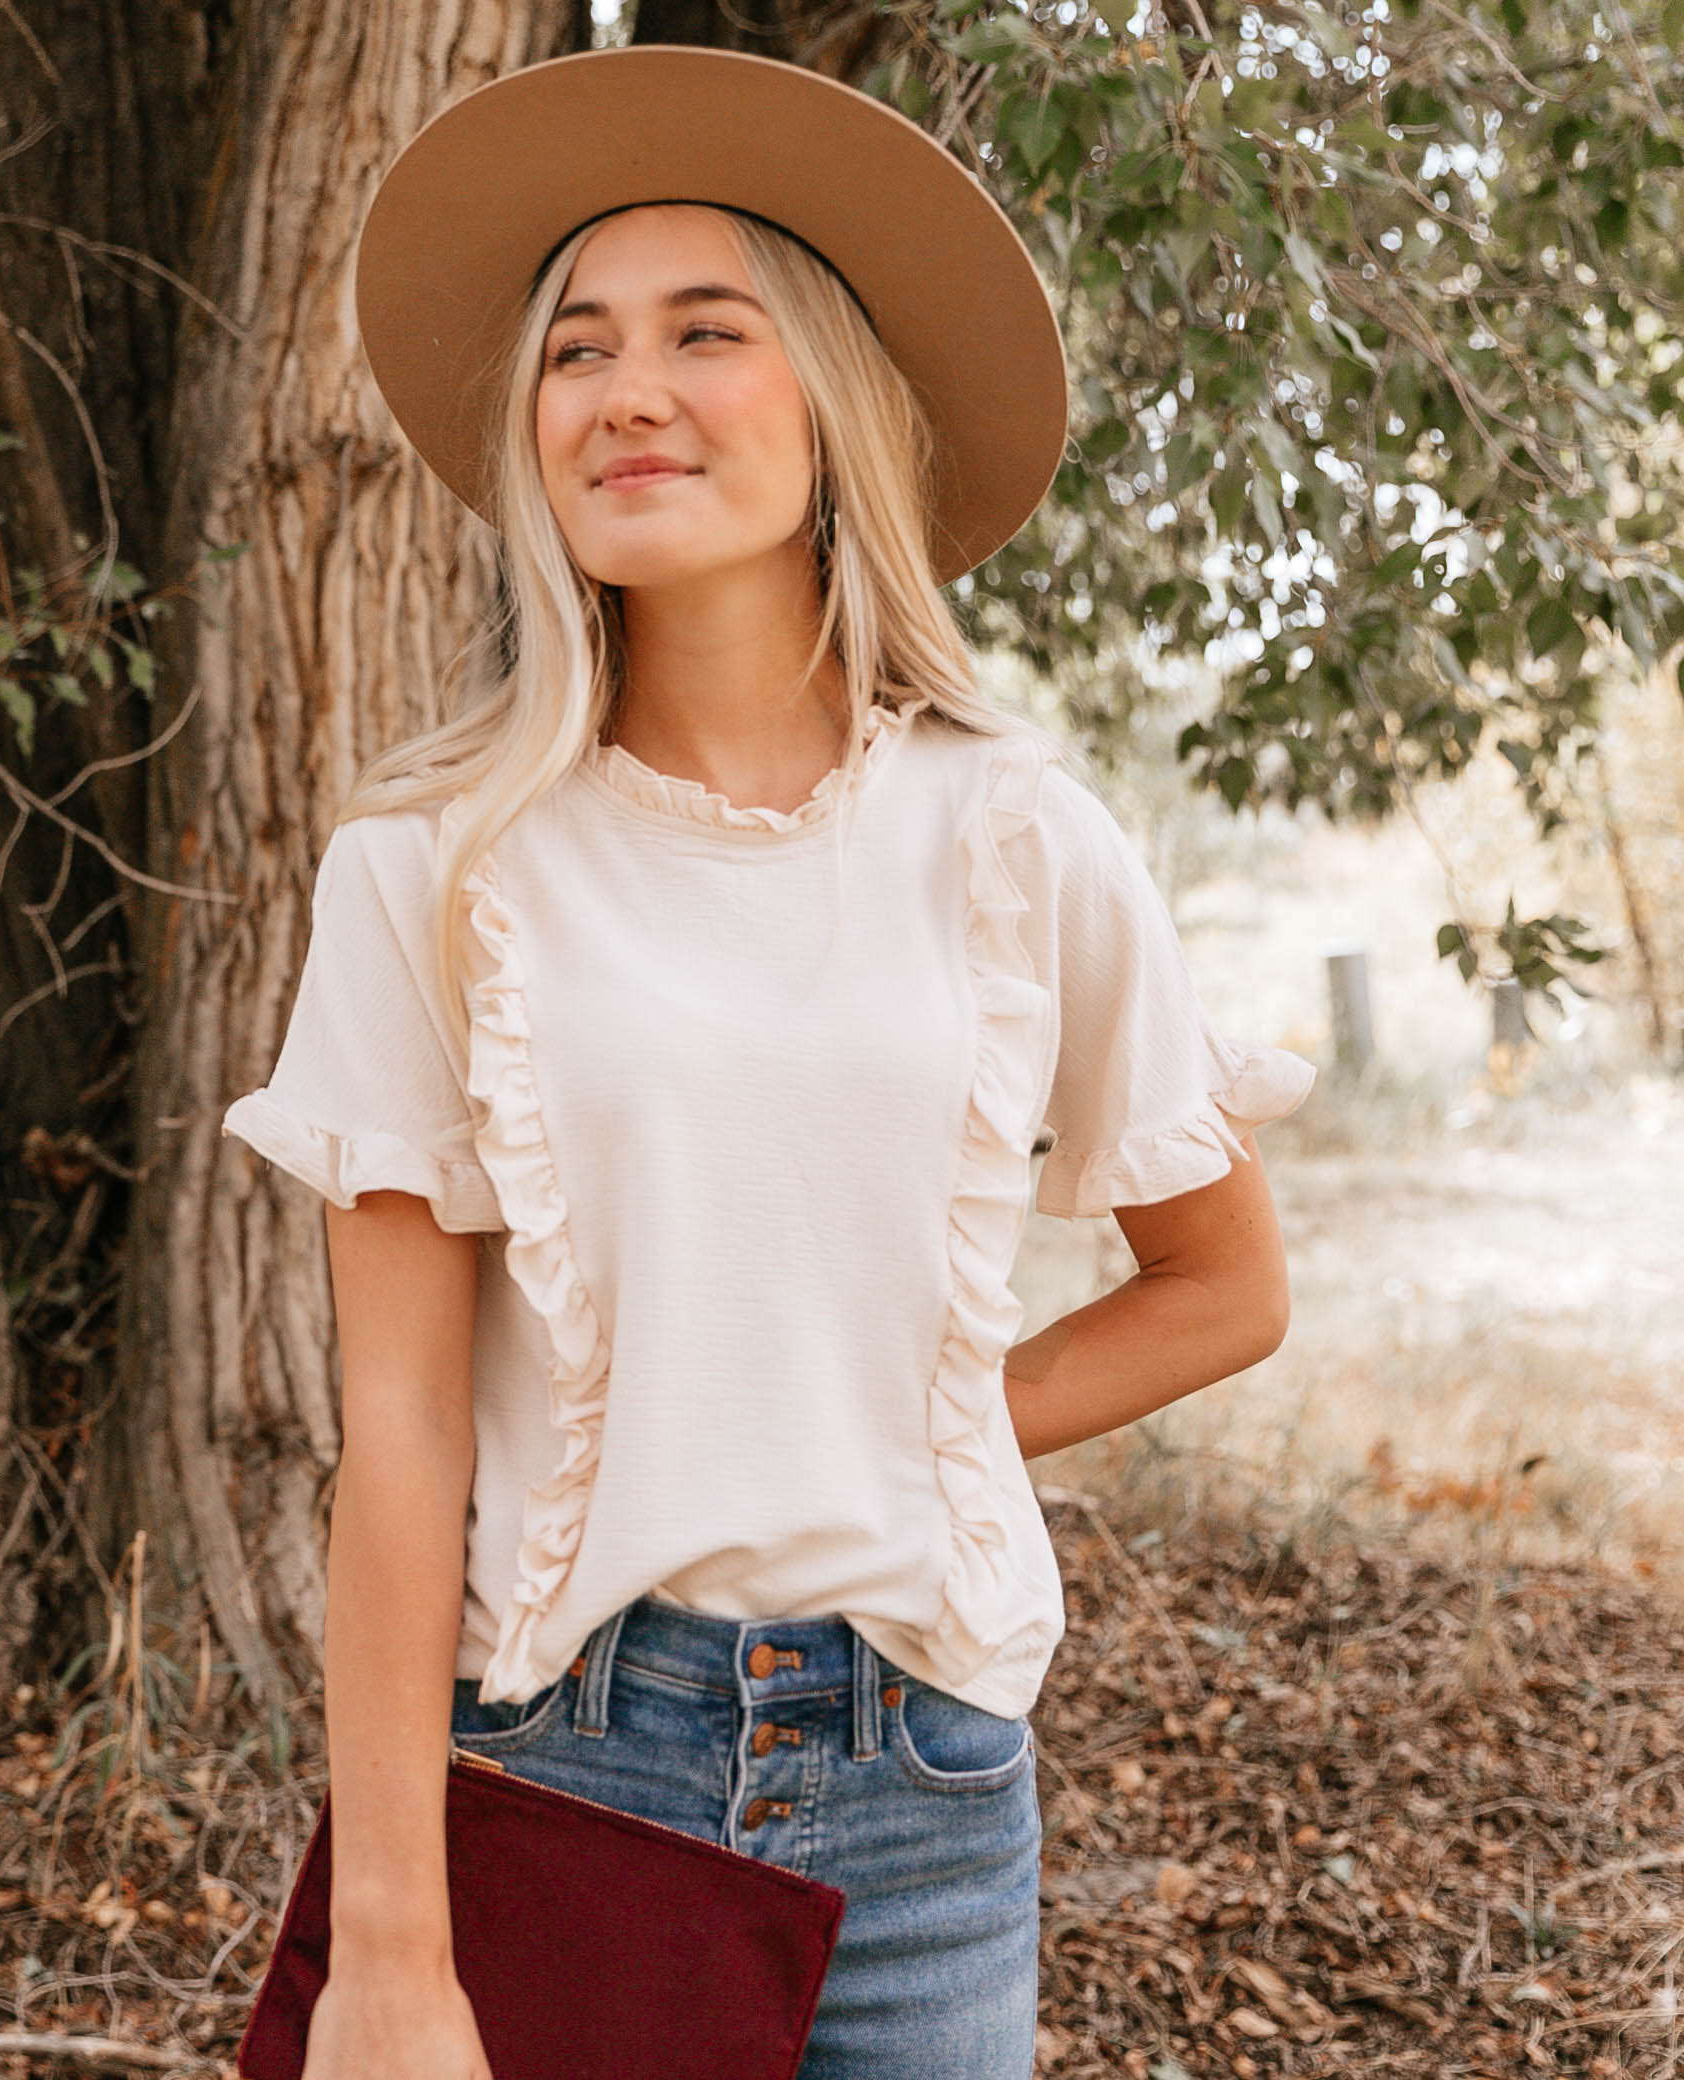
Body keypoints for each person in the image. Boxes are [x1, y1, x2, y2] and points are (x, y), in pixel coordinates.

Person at [217, 46, 1318, 2080]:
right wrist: (389, 1942)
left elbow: (1224, 1284)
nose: (627, 388)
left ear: (838, 401)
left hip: (928, 1791)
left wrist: (913, 1424)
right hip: (563, 1766)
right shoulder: (432, 872)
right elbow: (401, 1435)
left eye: (705, 333)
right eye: (576, 348)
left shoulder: (1018, 836)